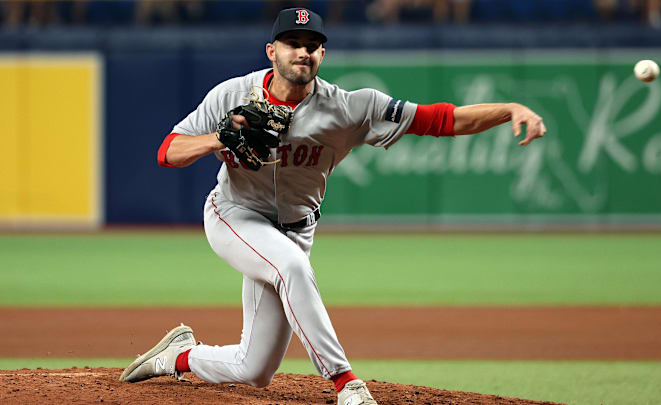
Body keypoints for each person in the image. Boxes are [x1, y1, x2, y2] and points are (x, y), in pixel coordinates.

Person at [118, 7, 546, 405]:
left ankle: (178, 356)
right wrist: (220, 138)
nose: (302, 51)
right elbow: (168, 151)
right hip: (235, 215)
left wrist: (507, 109)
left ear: (322, 53)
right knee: (292, 267)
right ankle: (346, 382)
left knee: (256, 368)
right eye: (292, 42)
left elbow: (441, 119)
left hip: (296, 229)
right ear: (272, 51)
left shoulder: (350, 108)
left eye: (311, 44)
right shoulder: (231, 94)